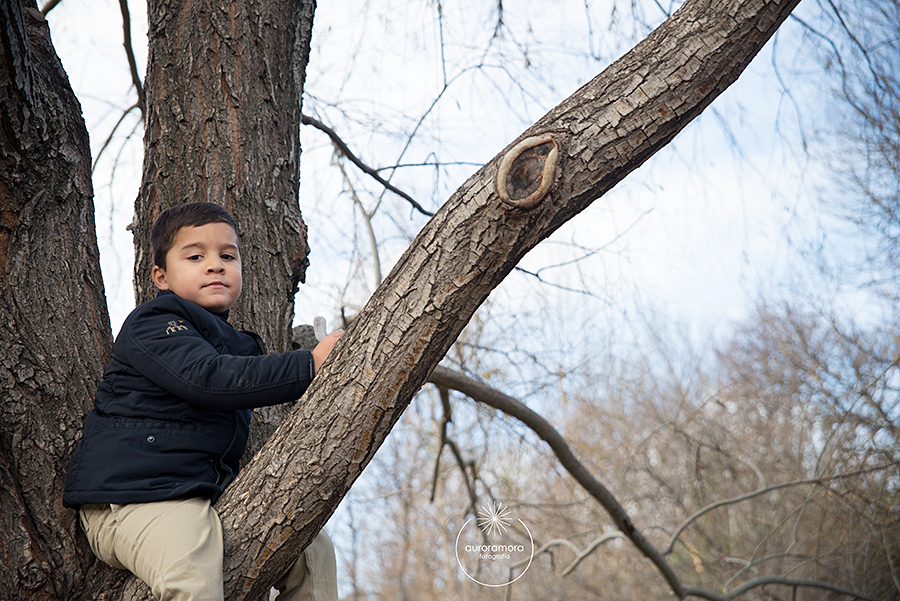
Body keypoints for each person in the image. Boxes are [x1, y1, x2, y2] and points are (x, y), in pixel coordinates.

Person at [63, 202, 343, 601]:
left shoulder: (239, 346)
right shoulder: (152, 323)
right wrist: (309, 365)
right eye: (196, 256)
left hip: (199, 494)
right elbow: (208, 380)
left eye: (227, 256)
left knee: (312, 547)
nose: (215, 265)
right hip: (133, 496)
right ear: (161, 275)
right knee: (192, 574)